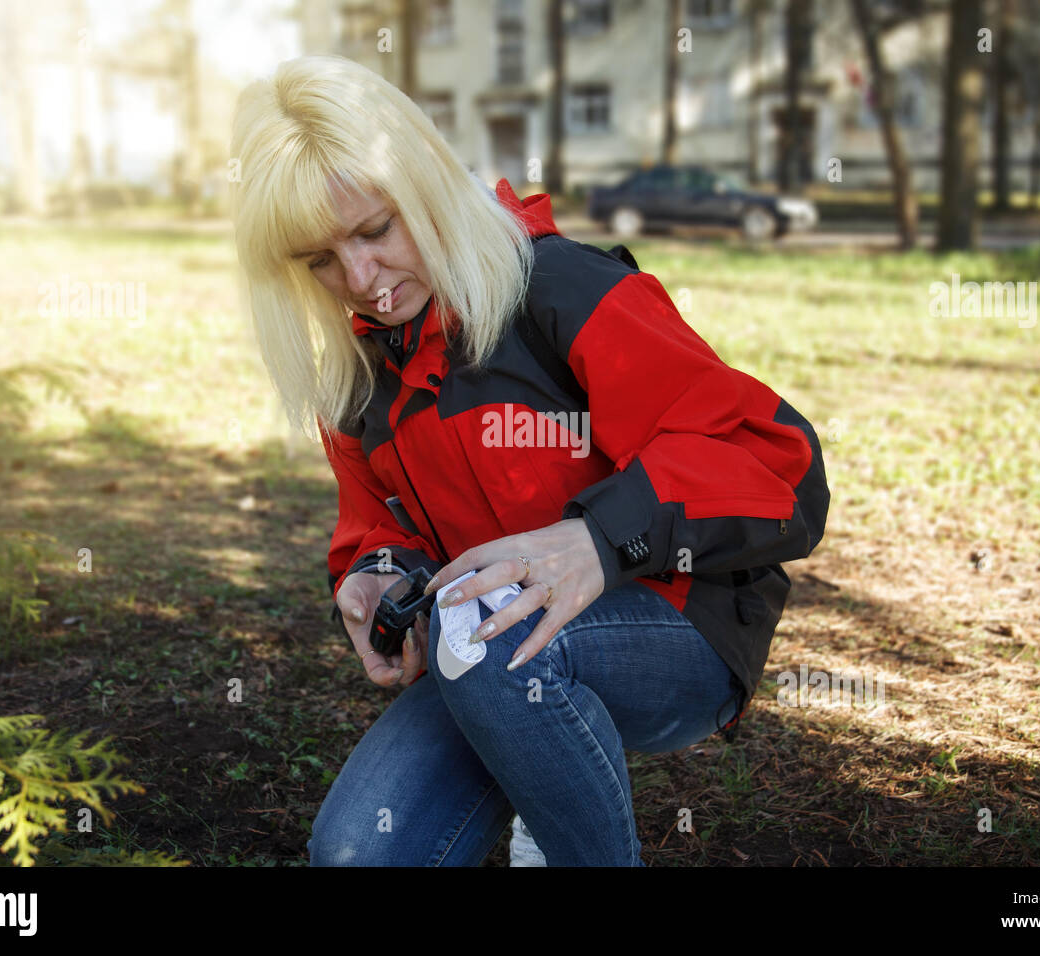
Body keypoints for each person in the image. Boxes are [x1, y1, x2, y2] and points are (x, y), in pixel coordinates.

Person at [229, 55, 830, 867]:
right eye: (321, 260)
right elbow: (374, 524)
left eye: (375, 231)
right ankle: (543, 768)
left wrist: (595, 542)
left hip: (673, 623)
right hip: (489, 650)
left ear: (427, 186)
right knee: (355, 855)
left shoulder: (557, 288)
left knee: (480, 631)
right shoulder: (356, 371)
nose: (360, 281)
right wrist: (374, 573)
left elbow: (778, 463)